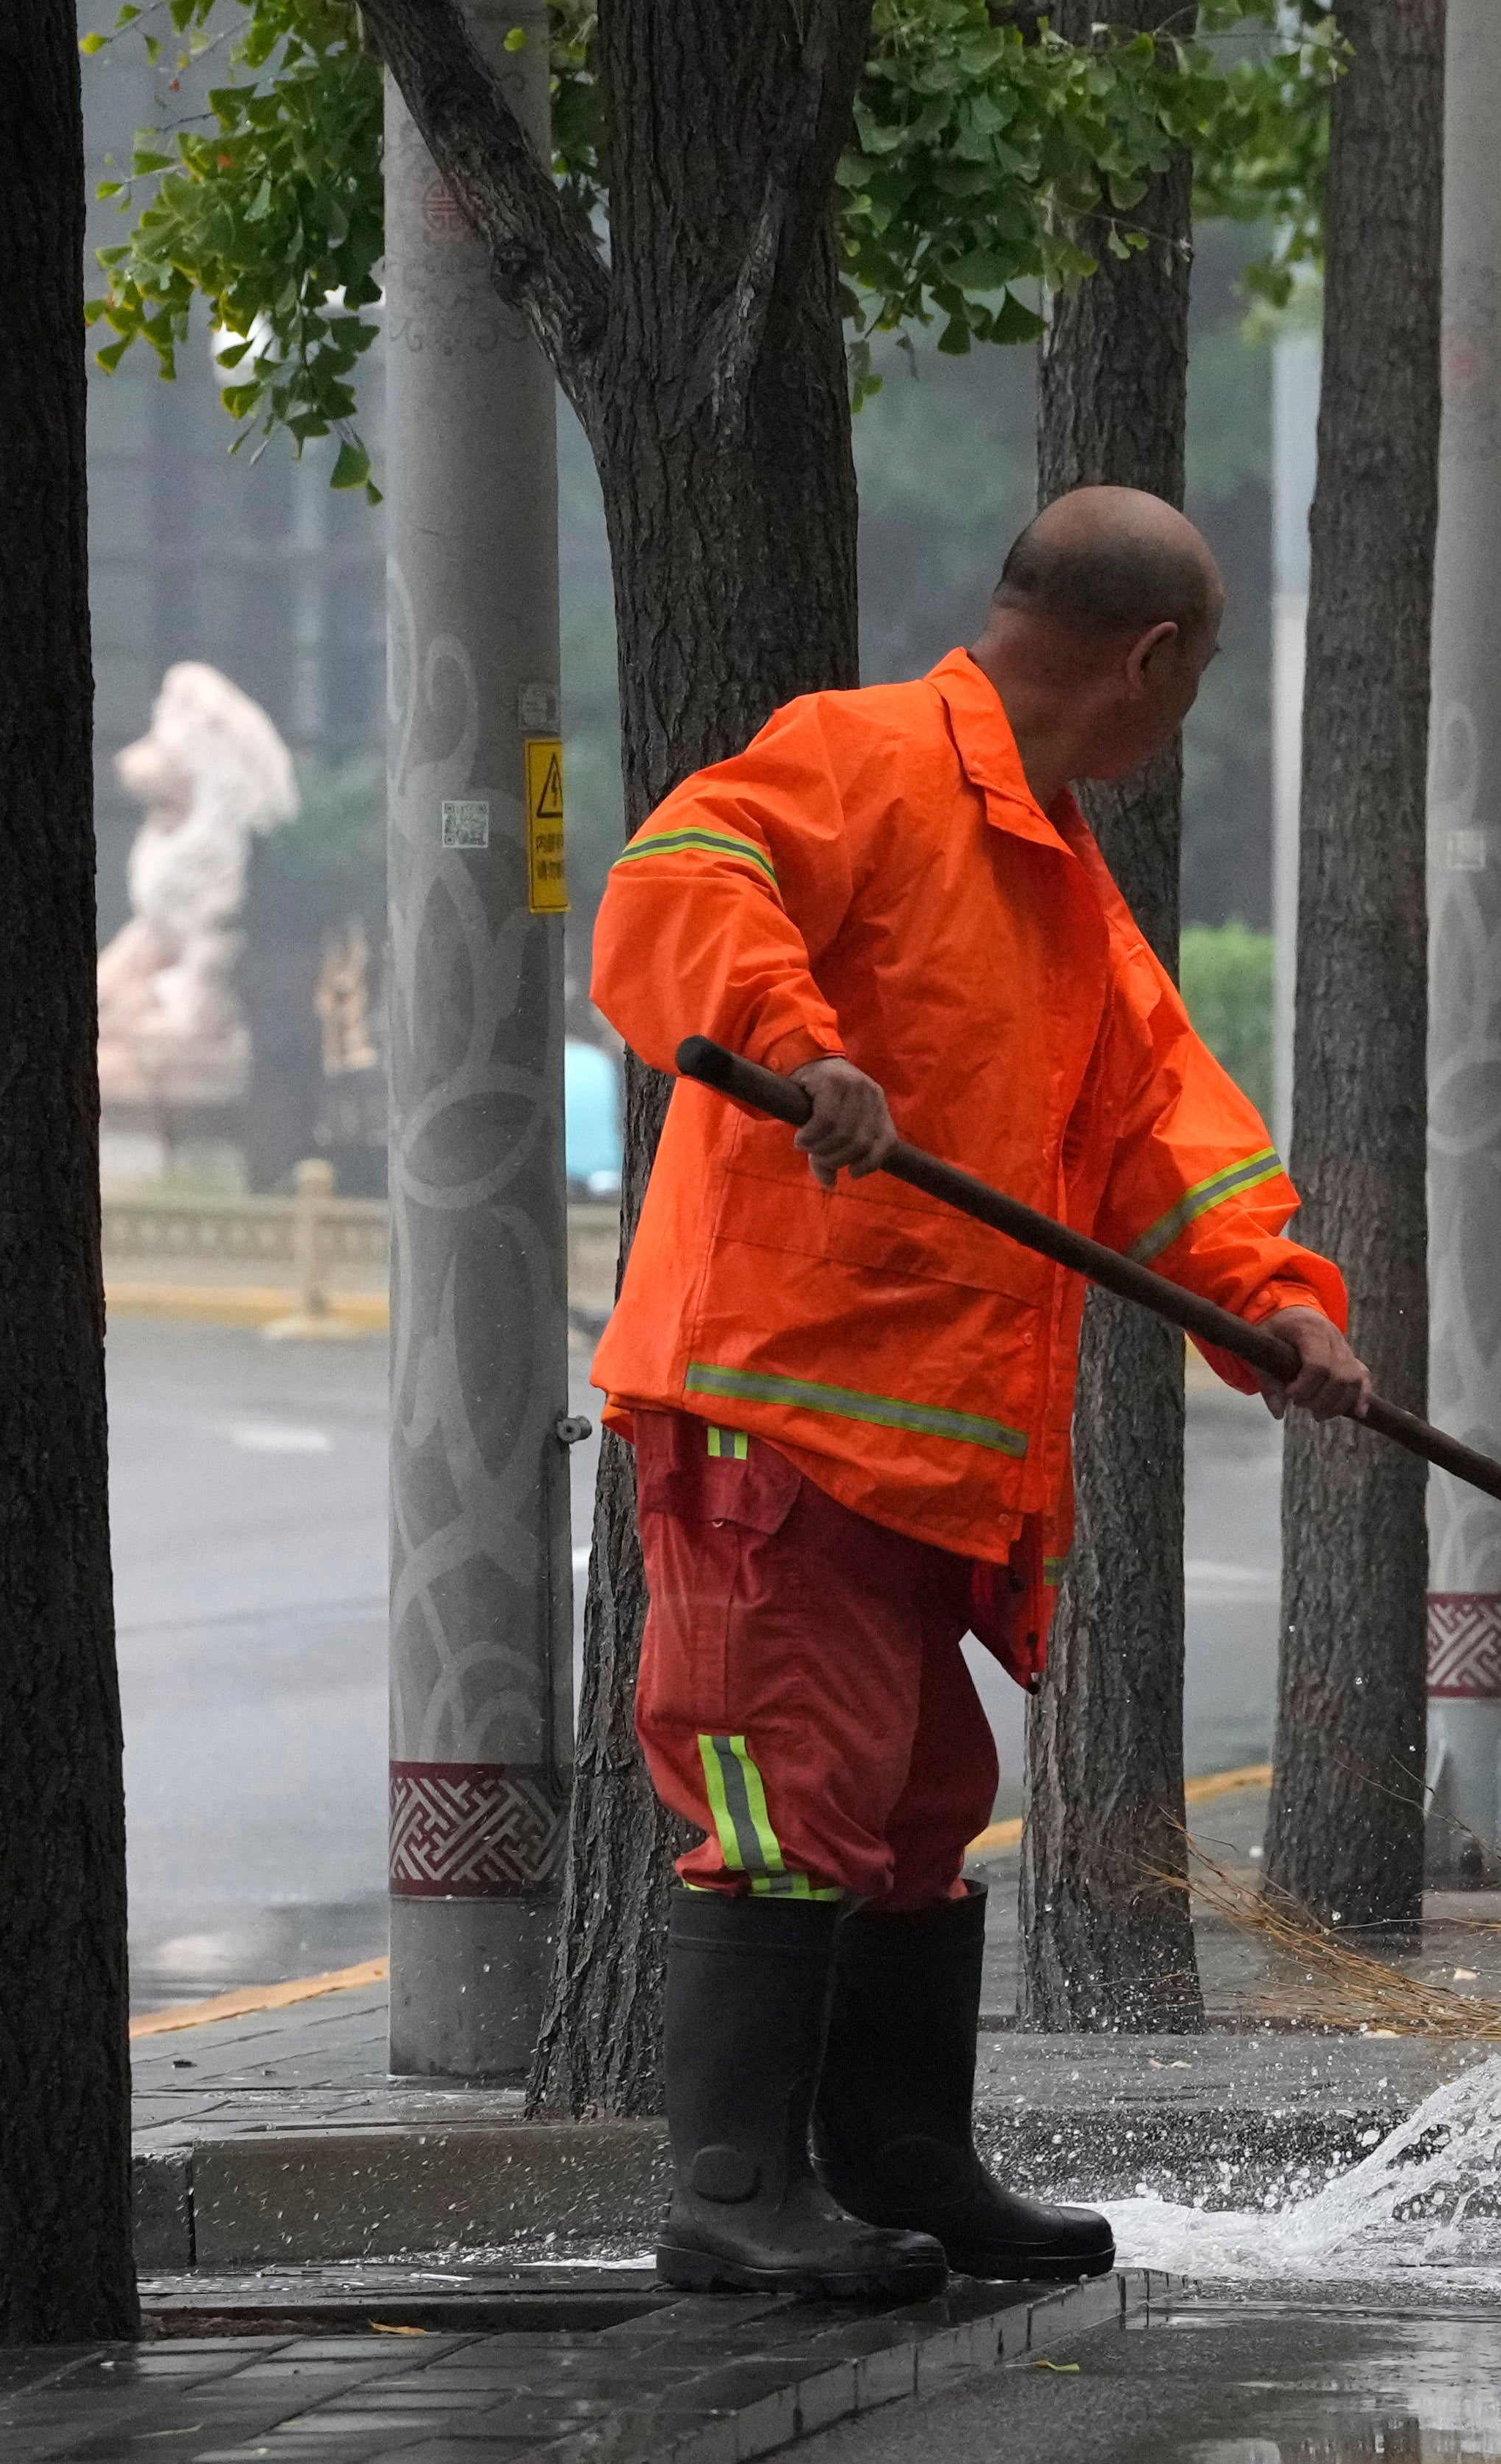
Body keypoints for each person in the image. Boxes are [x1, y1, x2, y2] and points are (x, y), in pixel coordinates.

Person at [589, 487, 1373, 2299]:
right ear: (1155, 660)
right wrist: (805, 1050)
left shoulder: (1058, 871)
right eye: (1204, 676)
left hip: (918, 1454)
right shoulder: (857, 759)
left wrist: (1265, 1300)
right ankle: (729, 2189)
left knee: (917, 1800)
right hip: (780, 1409)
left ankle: (899, 2160)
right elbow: (675, 887)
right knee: (784, 1791)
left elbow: (1162, 1128)